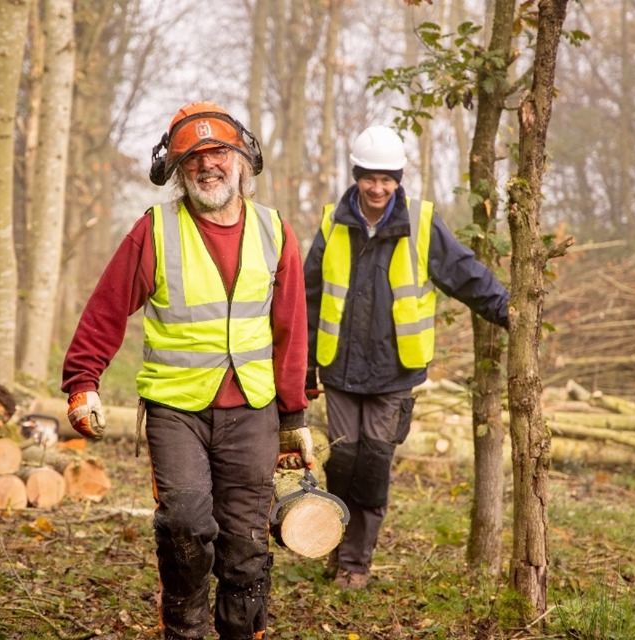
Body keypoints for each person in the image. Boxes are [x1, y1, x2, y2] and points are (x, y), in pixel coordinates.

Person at [62, 101, 313, 640]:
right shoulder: (155, 230)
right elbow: (106, 309)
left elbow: (291, 330)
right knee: (185, 525)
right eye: (193, 158)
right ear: (177, 171)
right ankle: (185, 629)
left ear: (242, 161)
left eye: (218, 152)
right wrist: (82, 382)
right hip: (178, 412)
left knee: (246, 546)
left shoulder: (275, 231)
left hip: (253, 412)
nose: (207, 165)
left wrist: (295, 417)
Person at [302, 124, 510, 590]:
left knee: (373, 467)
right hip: (338, 368)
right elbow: (309, 296)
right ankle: (335, 545)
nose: (378, 188)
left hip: (394, 372)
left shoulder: (419, 221)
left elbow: (461, 271)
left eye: (387, 179)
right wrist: (302, 367)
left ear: (399, 179)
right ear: (356, 176)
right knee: (342, 463)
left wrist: (506, 307)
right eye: (369, 178)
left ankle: (356, 563)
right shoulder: (332, 223)